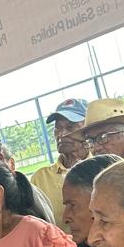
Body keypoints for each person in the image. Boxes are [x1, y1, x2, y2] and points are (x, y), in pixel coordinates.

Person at [30, 97, 88, 228]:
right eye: (57, 128)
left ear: (88, 128)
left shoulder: (102, 169)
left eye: (70, 127)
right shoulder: (40, 179)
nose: (61, 134)